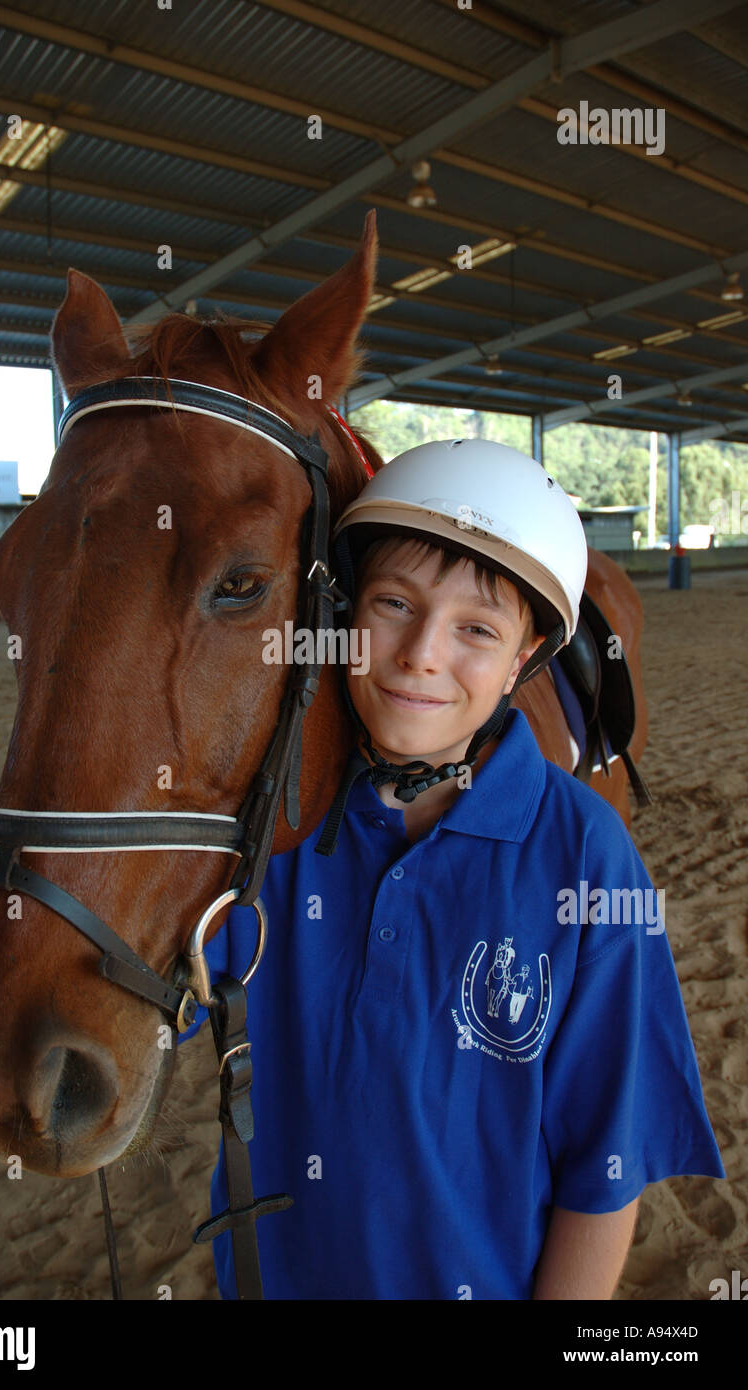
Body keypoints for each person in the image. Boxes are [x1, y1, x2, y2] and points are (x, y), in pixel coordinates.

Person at [179, 437, 725, 1301]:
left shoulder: (587, 857)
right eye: (394, 604)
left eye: (477, 628)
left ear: (523, 655)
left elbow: (603, 1171)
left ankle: (603, 721)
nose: (422, 654)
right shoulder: (266, 826)